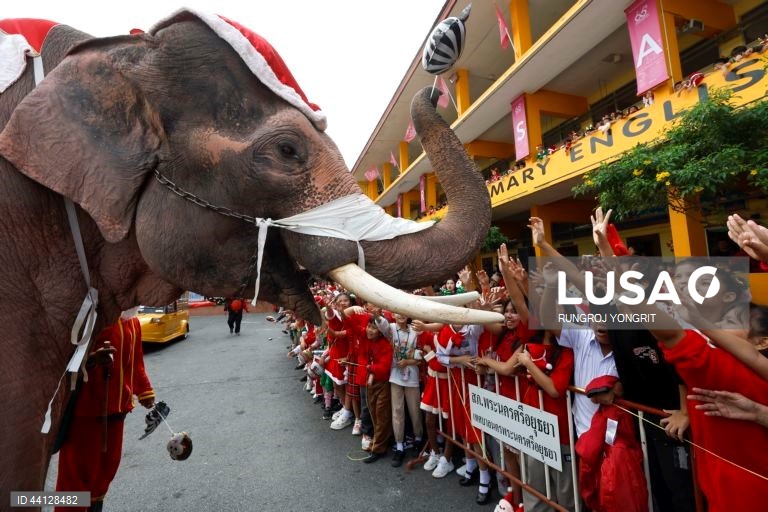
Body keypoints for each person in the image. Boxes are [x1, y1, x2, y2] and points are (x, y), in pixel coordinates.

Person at [55, 309, 155, 512]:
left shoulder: (133, 322)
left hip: (117, 411)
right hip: (86, 413)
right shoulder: (90, 318)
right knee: (77, 476)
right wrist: (90, 361)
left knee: (105, 470)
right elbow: (60, 357)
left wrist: (144, 390)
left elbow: (136, 363)